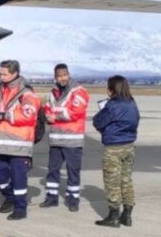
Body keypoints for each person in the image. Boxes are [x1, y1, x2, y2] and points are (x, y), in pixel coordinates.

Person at [0, 60, 40, 221]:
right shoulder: (2, 90)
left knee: (19, 178)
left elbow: (29, 115)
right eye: (0, 74)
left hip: (19, 145)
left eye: (4, 74)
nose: (1, 77)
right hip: (2, 143)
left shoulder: (27, 93)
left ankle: (20, 208)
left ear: (14, 74)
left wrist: (5, 115)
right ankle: (10, 197)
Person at [40, 63, 90, 212]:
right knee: (53, 169)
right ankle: (51, 197)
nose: (62, 78)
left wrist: (55, 116)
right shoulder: (52, 93)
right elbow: (48, 111)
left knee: (72, 170)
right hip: (56, 139)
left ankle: (73, 199)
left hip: (72, 140)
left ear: (69, 75)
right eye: (59, 76)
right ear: (55, 77)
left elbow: (76, 112)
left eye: (64, 75)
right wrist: (49, 117)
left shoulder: (79, 92)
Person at [94, 75, 140, 228]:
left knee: (112, 182)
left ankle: (113, 216)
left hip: (114, 148)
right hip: (129, 146)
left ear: (112, 89)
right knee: (126, 180)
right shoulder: (132, 103)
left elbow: (98, 122)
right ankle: (127, 215)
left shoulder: (112, 105)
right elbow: (135, 120)